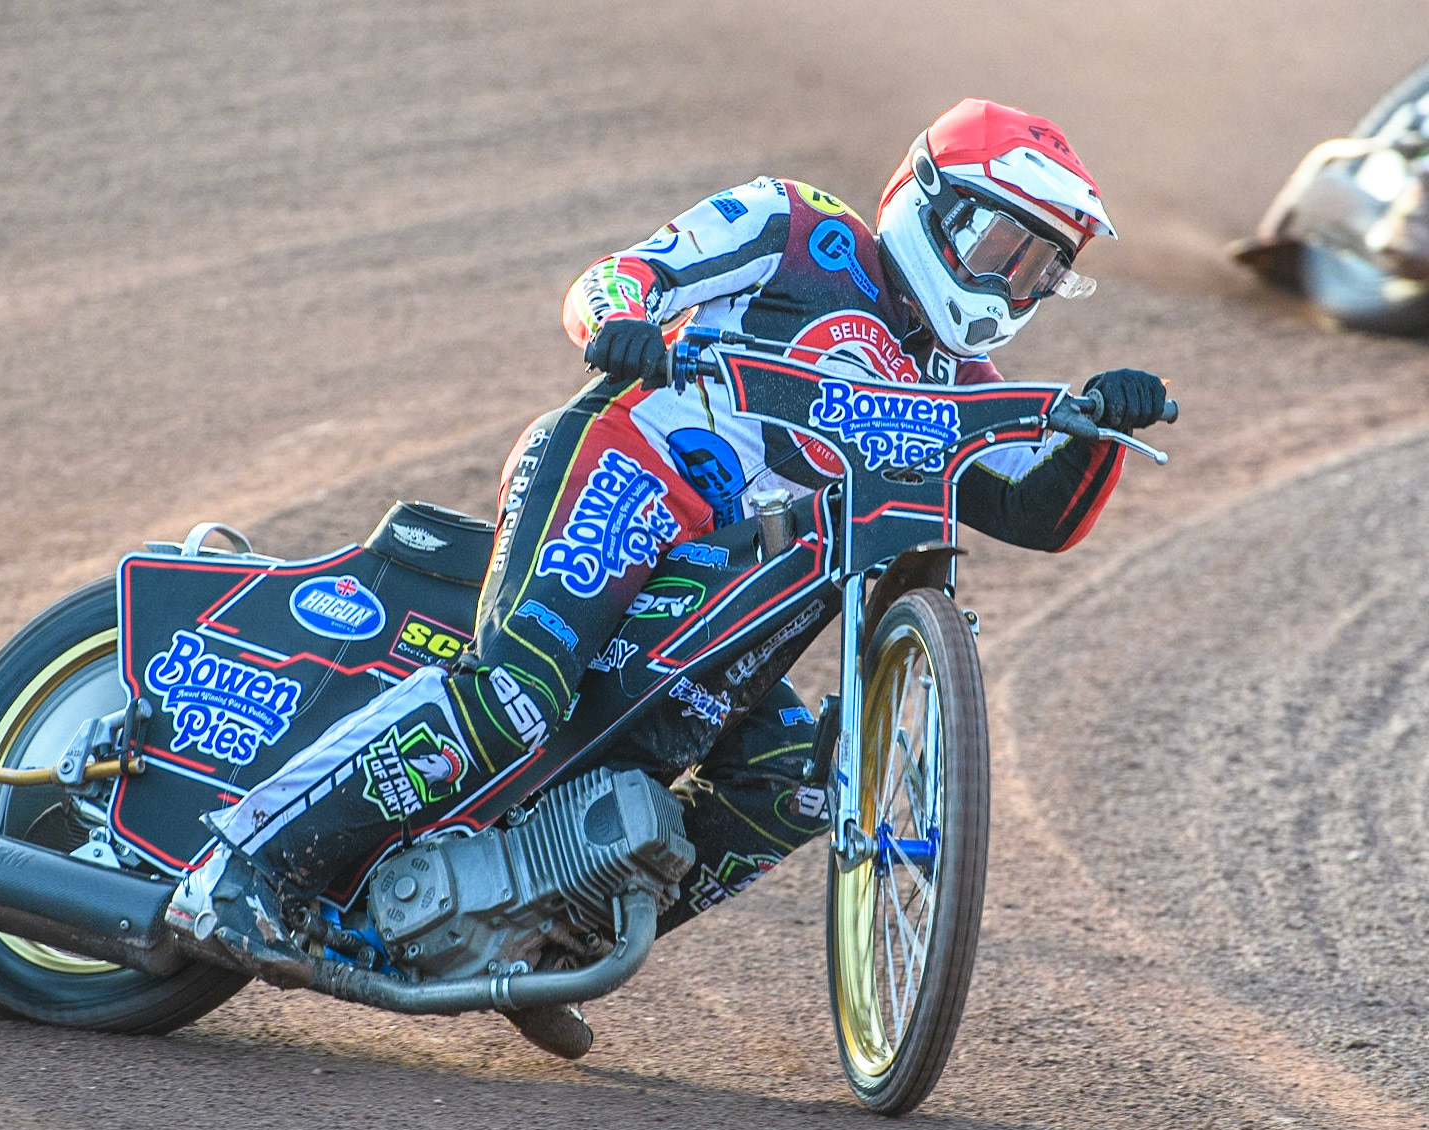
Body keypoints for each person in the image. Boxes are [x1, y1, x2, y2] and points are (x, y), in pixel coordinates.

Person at [172, 98, 1170, 1057]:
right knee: (517, 685)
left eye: (1044, 268)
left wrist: (1100, 430)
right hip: (623, 471)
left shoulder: (955, 387)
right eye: (1008, 248)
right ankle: (242, 867)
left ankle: (550, 934)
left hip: (727, 587)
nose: (1018, 285)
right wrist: (624, 323)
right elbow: (618, 278)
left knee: (805, 775)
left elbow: (1034, 513)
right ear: (931, 203)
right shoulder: (798, 228)